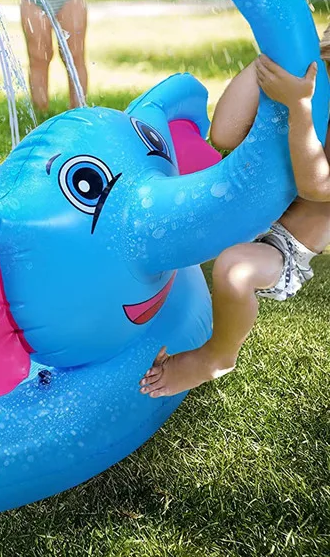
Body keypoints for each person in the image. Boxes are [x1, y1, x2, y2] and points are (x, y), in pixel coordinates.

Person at [140, 44, 330, 398]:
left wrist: (299, 107)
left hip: (284, 244)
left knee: (233, 270)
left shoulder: (306, 98)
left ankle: (216, 356)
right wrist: (275, 51)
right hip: (240, 209)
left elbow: (316, 186)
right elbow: (225, 133)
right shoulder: (313, 78)